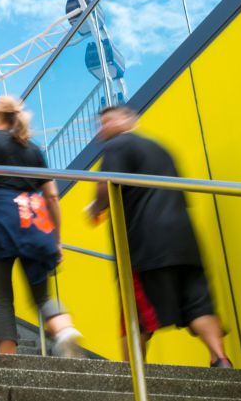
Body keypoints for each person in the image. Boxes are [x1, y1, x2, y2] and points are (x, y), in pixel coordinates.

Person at [93, 104, 232, 367]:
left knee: (135, 316)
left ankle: (133, 376)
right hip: (184, 241)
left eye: (107, 121)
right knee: (198, 305)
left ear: (128, 120)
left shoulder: (117, 146)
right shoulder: (161, 148)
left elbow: (107, 185)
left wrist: (95, 208)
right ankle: (220, 358)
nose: (102, 128)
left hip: (145, 244)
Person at [0, 96, 84, 357]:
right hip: (34, 219)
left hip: (0, 219)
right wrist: (56, 239)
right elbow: (52, 196)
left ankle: (9, 361)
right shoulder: (33, 148)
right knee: (43, 295)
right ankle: (63, 330)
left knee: (1, 297)